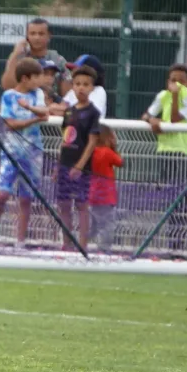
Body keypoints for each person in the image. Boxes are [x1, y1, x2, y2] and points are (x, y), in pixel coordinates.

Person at [0, 58, 48, 248]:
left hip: (33, 153)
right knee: (2, 194)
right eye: (38, 77)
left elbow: (45, 112)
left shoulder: (38, 94)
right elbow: (10, 124)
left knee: (26, 197)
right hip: (11, 151)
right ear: (26, 78)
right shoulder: (9, 96)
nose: (41, 81)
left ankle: (20, 240)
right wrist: (34, 119)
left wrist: (30, 109)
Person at [143, 64, 187, 250]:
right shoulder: (162, 96)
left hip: (184, 155)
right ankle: (169, 244)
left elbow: (175, 118)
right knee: (168, 200)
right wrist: (153, 120)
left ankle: (178, 247)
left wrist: (176, 95)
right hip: (165, 153)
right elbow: (146, 115)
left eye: (181, 81)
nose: (176, 85)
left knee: (182, 202)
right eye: (173, 81)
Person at [56, 66, 102, 251]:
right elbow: (65, 138)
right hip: (65, 164)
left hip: (81, 167)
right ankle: (66, 242)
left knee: (82, 204)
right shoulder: (68, 111)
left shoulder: (93, 113)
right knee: (63, 203)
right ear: (72, 87)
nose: (81, 88)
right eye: (77, 84)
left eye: (85, 84)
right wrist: (58, 165)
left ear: (92, 88)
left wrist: (80, 165)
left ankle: (82, 244)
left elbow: (92, 142)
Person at [0, 18, 70, 100]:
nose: (37, 37)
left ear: (49, 36)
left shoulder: (58, 60)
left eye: (41, 34)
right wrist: (15, 54)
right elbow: (7, 87)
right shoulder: (18, 57)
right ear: (27, 36)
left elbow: (67, 94)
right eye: (32, 34)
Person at [88, 125, 123, 253]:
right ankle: (104, 248)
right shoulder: (108, 152)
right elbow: (120, 162)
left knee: (93, 225)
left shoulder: (91, 152)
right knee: (107, 224)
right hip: (106, 196)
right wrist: (115, 148)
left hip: (92, 194)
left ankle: (80, 242)